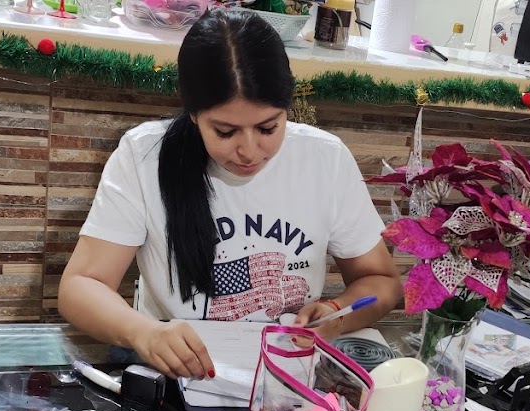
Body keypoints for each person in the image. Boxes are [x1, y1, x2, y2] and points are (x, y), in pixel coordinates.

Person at [59, 10, 401, 381]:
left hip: (286, 377)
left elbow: (381, 281)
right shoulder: (144, 156)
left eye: (268, 128)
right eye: (225, 132)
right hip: (176, 378)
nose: (249, 152)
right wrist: (144, 332)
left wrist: (337, 313)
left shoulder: (324, 159)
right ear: (194, 115)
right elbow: (80, 286)